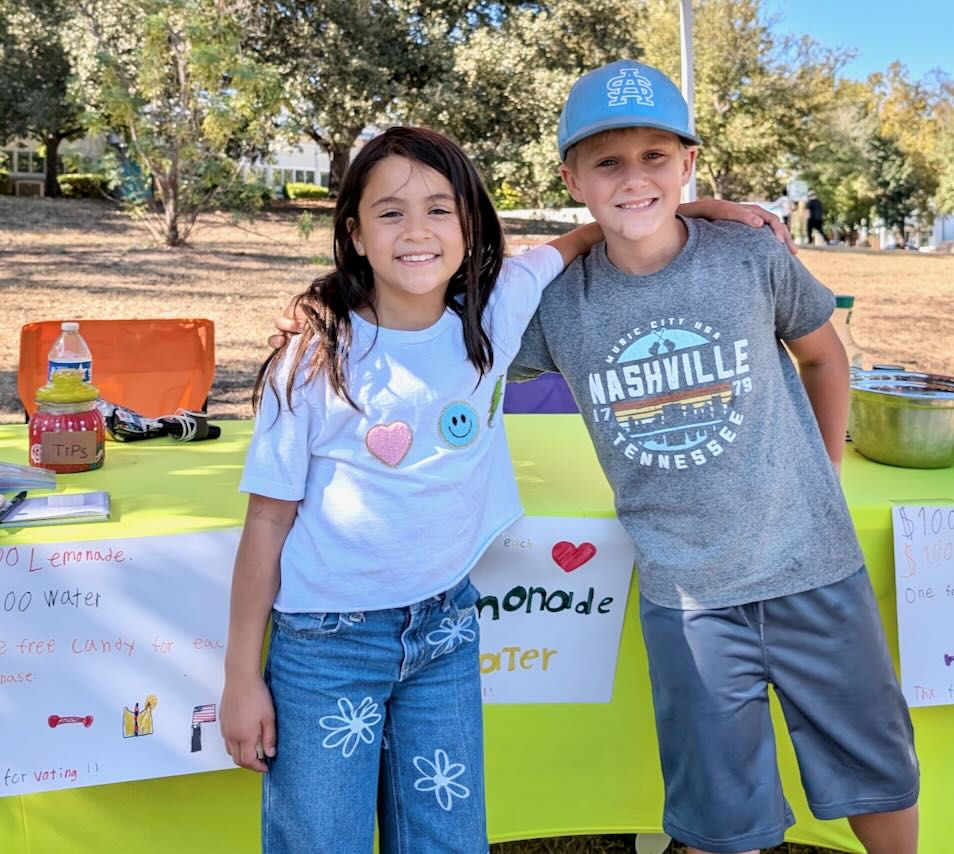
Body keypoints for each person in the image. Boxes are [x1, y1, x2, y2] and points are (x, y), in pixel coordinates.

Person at [227, 125, 788, 854]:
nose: (418, 231)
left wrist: (701, 206)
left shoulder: (496, 311)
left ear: (470, 226)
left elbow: (590, 235)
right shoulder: (311, 360)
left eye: (440, 208)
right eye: (391, 212)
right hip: (326, 645)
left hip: (446, 634)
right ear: (355, 234)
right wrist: (242, 678)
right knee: (319, 841)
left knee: (448, 840)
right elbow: (266, 524)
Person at [508, 61, 919, 854]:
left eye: (656, 158)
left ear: (689, 161)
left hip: (813, 567)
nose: (634, 179)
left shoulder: (746, 257)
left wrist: (824, 478)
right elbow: (466, 338)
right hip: (688, 595)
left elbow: (826, 359)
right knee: (719, 812)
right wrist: (591, 232)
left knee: (877, 769)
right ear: (572, 177)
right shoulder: (559, 304)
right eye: (607, 163)